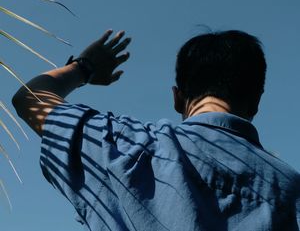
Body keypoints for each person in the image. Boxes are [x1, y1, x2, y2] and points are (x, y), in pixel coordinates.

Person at [12, 29, 300, 231]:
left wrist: (84, 68)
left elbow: (30, 97)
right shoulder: (290, 189)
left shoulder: (125, 146)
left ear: (177, 97)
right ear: (257, 100)